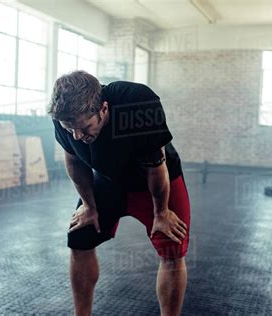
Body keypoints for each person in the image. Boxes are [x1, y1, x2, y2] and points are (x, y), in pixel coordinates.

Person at [48, 70, 191, 316]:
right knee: (80, 238)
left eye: (84, 127)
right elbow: (74, 163)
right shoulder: (65, 117)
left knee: (172, 247)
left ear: (103, 109)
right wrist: (89, 206)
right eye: (70, 129)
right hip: (108, 179)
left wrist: (161, 212)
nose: (77, 136)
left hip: (155, 180)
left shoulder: (137, 103)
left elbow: (157, 167)